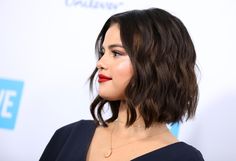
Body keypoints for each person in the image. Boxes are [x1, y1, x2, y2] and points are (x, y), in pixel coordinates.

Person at [39, 8, 204, 161]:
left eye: (116, 53)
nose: (100, 63)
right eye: (103, 52)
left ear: (157, 64)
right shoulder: (68, 136)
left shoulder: (183, 158)